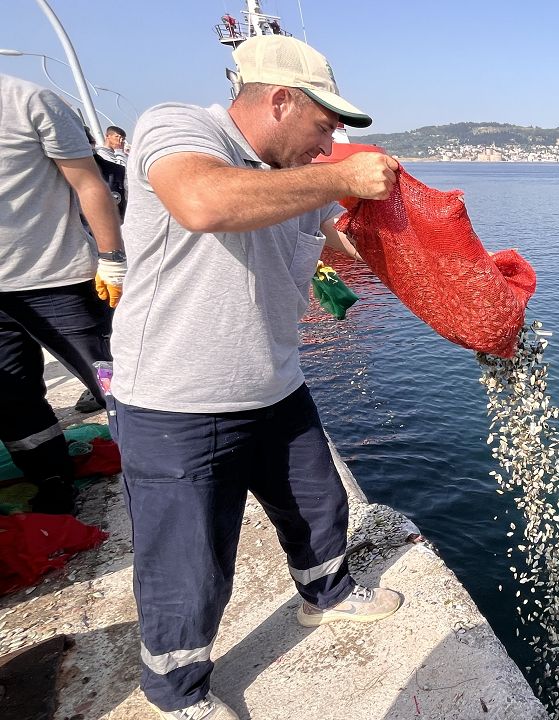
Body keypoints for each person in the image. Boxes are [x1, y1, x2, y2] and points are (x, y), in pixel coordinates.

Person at [109, 36, 401, 720]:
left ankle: (326, 597)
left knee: (318, 507)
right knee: (188, 562)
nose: (328, 147)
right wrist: (340, 179)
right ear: (279, 101)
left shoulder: (297, 175)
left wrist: (456, 280)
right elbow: (203, 201)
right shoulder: (180, 127)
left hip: (275, 386)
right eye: (323, 127)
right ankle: (177, 692)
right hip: (177, 401)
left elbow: (354, 244)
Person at [0, 73, 125, 514]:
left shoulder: (29, 101)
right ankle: (51, 477)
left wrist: (112, 258)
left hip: (57, 279)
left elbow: (89, 183)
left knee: (114, 382)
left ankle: (160, 463)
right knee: (12, 398)